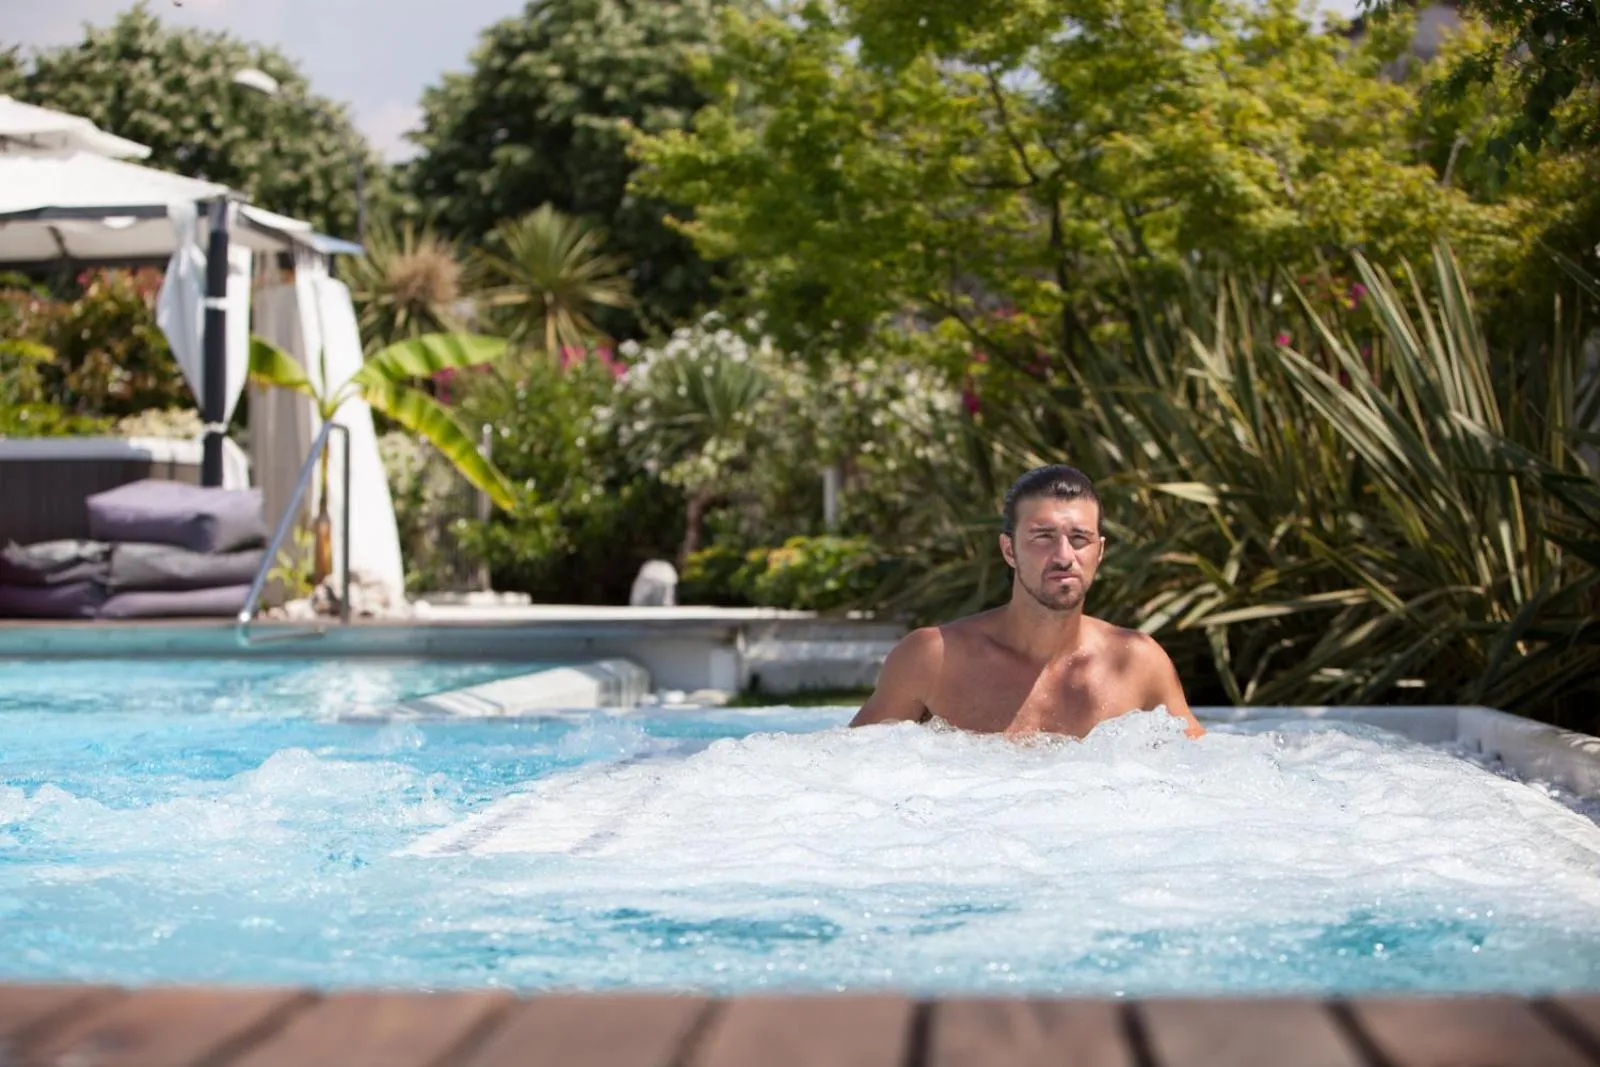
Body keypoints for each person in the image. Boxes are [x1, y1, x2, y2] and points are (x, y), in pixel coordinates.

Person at [850, 465, 1204, 739]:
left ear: (1100, 551)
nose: (1064, 556)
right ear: (1009, 550)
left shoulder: (1138, 664)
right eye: (1043, 537)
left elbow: (1206, 781)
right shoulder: (934, 659)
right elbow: (844, 775)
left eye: (1079, 538)